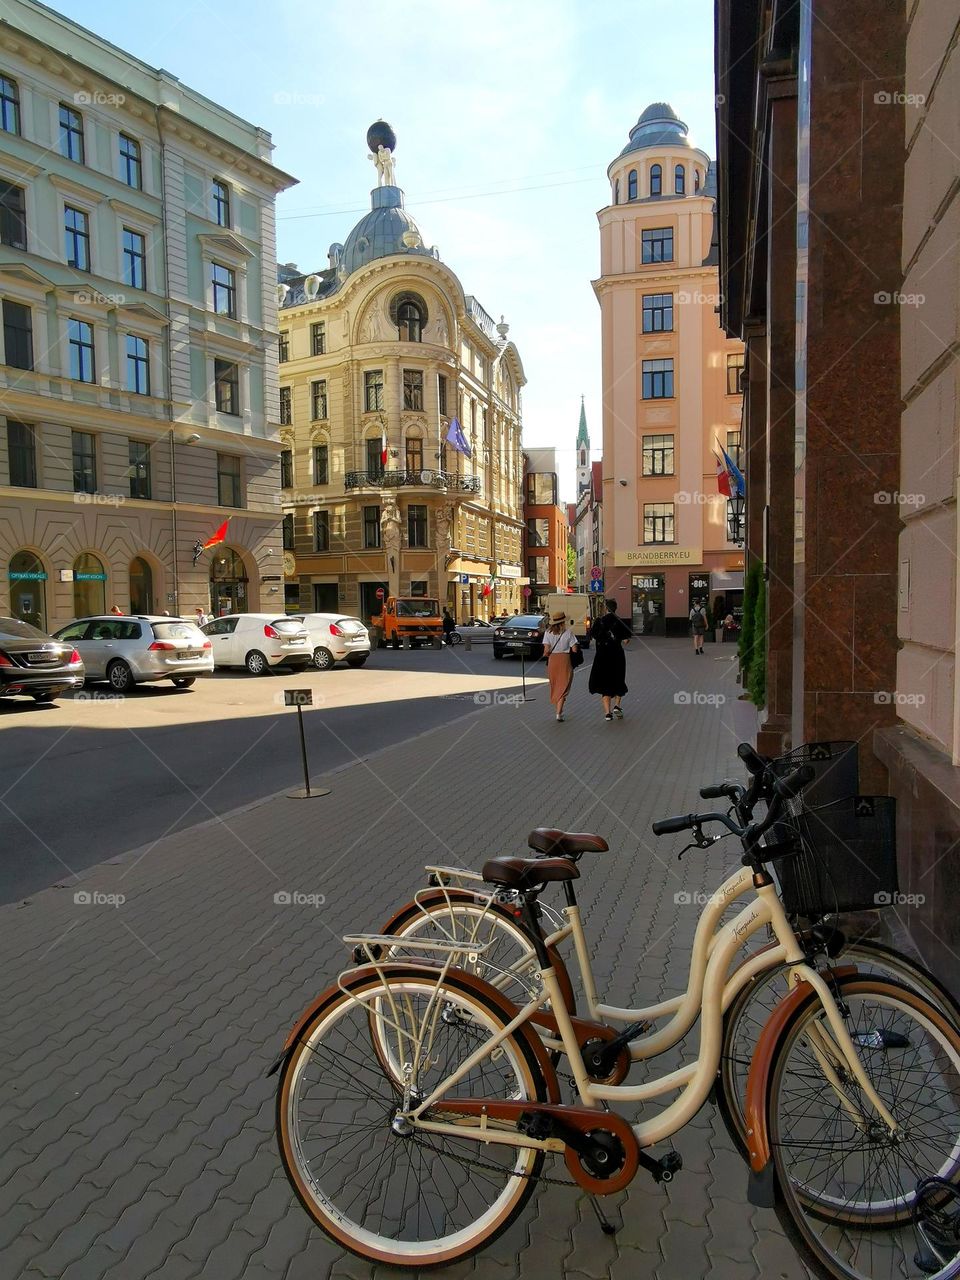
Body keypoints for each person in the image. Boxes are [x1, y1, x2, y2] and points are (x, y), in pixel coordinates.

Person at [589, 599, 631, 720]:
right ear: (615, 608)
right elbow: (626, 641)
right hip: (617, 654)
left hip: (602, 655)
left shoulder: (599, 621)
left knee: (605, 682)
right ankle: (617, 706)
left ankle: (607, 713)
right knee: (618, 678)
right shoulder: (619, 621)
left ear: (605, 609)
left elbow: (593, 636)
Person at [541, 610, 578, 723]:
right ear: (563, 622)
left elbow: (546, 651)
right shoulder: (568, 633)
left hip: (553, 661)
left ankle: (558, 711)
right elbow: (574, 649)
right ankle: (559, 713)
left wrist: (547, 652)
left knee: (556, 685)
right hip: (565, 660)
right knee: (564, 686)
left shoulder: (548, 633)